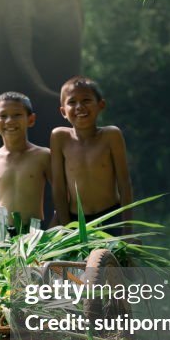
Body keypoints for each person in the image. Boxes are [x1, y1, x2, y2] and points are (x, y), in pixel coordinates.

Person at [51, 77, 134, 234]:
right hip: (76, 221)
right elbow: (59, 188)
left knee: (111, 259)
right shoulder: (59, 137)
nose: (79, 107)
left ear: (101, 105)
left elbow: (124, 183)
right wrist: (67, 228)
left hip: (111, 217)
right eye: (72, 102)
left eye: (86, 100)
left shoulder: (111, 135)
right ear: (63, 111)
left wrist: (127, 230)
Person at [0, 92, 51, 234]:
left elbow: (62, 194)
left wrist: (55, 225)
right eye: (3, 116)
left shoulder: (43, 156)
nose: (9, 121)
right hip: (2, 236)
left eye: (17, 115)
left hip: (36, 234)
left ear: (31, 120)